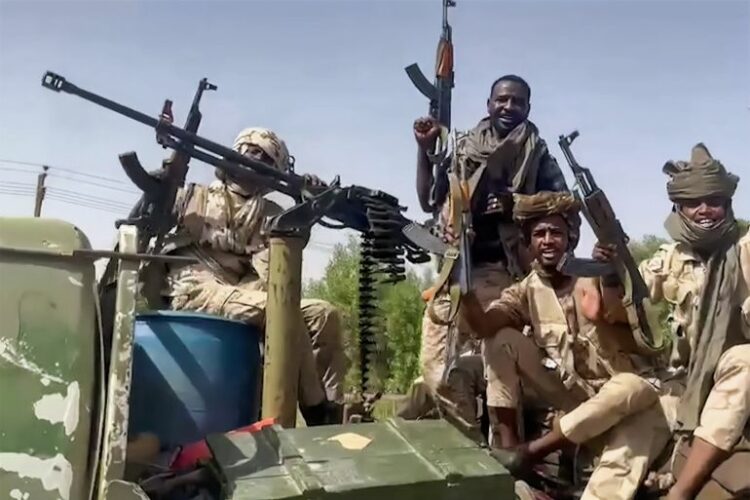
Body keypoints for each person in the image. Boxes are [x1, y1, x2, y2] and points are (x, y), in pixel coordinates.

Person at [461, 191, 681, 500]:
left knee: (629, 386)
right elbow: (483, 326)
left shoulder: (595, 274)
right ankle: (509, 452)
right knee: (499, 340)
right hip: (576, 398)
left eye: (556, 233)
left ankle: (532, 452)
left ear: (571, 238)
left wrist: (611, 273)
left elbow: (616, 313)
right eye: (539, 234)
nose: (548, 241)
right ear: (528, 242)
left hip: (628, 395)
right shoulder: (526, 290)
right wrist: (461, 279)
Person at [412, 75, 569, 442]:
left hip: (506, 272)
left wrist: (519, 204)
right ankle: (472, 449)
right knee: (437, 373)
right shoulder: (462, 146)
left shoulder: (537, 153)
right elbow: (428, 199)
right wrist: (424, 149)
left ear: (528, 108)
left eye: (517, 102)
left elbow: (565, 203)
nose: (508, 107)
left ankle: (507, 451)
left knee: (502, 373)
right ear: (489, 104)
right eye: (502, 100)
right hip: (455, 272)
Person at [160, 127, 349, 425]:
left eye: (265, 158)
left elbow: (278, 271)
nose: (255, 159)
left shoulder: (270, 213)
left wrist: (306, 206)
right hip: (196, 289)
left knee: (324, 315)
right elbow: (151, 218)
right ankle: (316, 410)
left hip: (245, 291)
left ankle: (334, 410)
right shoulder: (194, 197)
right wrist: (163, 183)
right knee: (279, 311)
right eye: (250, 151)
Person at [636, 144, 750, 500]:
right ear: (679, 208)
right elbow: (626, 301)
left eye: (714, 201)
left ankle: (680, 491)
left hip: (736, 380)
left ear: (727, 204)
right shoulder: (668, 259)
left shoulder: (745, 249)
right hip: (683, 382)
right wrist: (612, 269)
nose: (704, 210)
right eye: (693, 203)